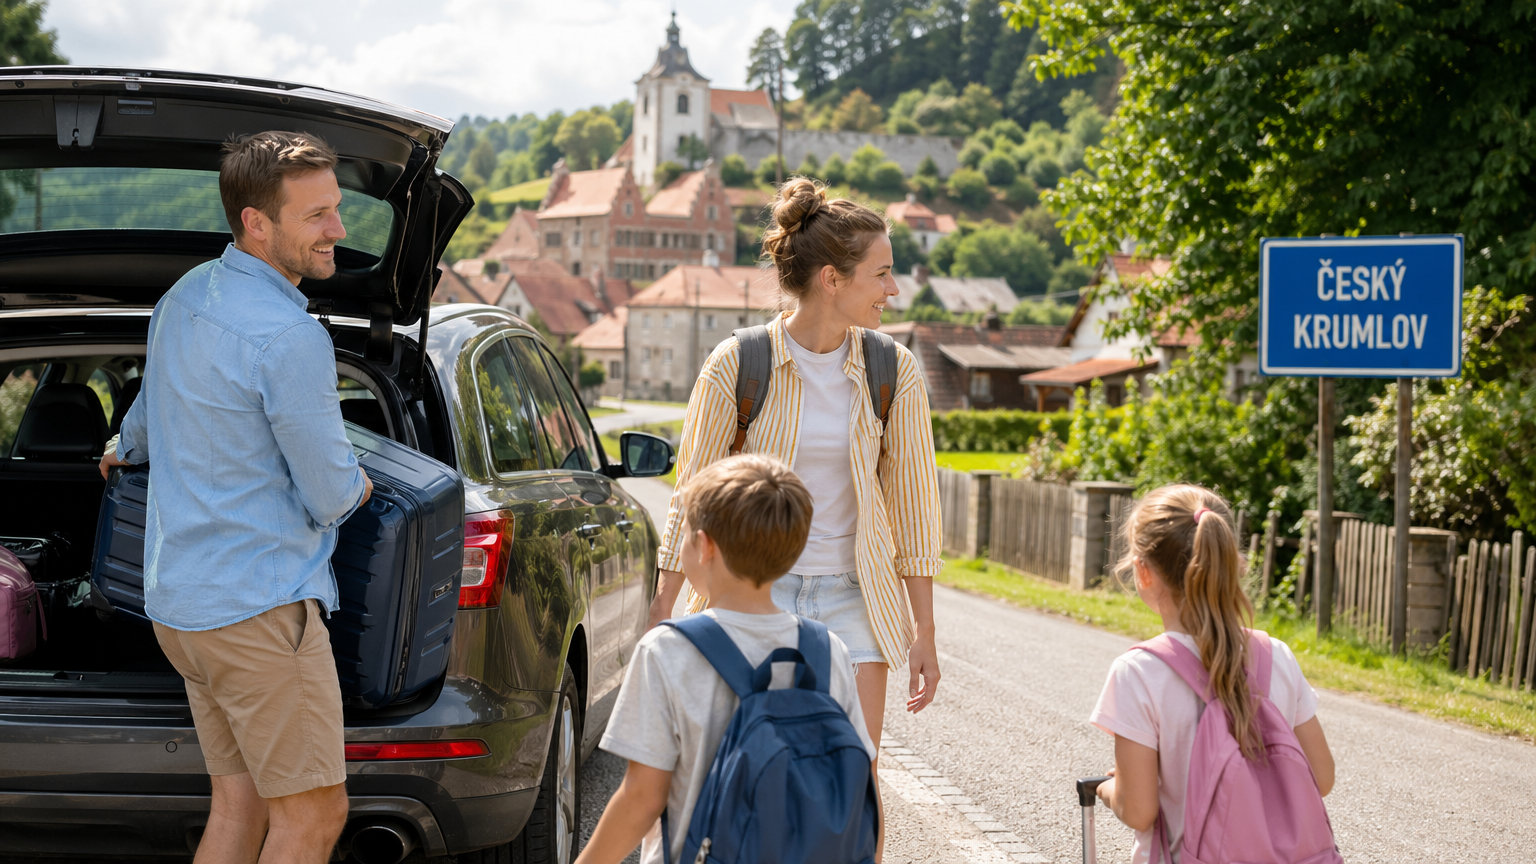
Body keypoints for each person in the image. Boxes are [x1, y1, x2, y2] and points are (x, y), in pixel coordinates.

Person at [99, 131, 371, 864]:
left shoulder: (184, 296)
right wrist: (361, 483)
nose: (338, 229)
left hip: (182, 608)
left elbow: (141, 428)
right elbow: (331, 495)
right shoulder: (290, 337)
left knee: (240, 805)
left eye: (335, 208)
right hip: (259, 613)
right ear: (256, 222)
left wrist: (118, 450)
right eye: (316, 215)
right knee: (313, 817)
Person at [648, 179, 941, 845]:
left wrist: (923, 629)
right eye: (882, 274)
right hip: (751, 595)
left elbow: (915, 504)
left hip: (854, 598)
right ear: (832, 279)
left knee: (854, 778)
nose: (893, 289)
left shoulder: (893, 370)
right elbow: (691, 495)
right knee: (739, 768)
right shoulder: (739, 363)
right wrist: (665, 606)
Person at [580, 454, 877, 864]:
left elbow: (642, 799)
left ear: (705, 547)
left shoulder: (667, 650)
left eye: (686, 535)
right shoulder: (827, 650)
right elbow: (862, 784)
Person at [1090, 485, 1336, 864]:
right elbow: (1321, 776)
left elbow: (1138, 811)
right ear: (1229, 562)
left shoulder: (1138, 673)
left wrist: (1110, 789)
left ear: (1142, 572)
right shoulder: (1277, 656)